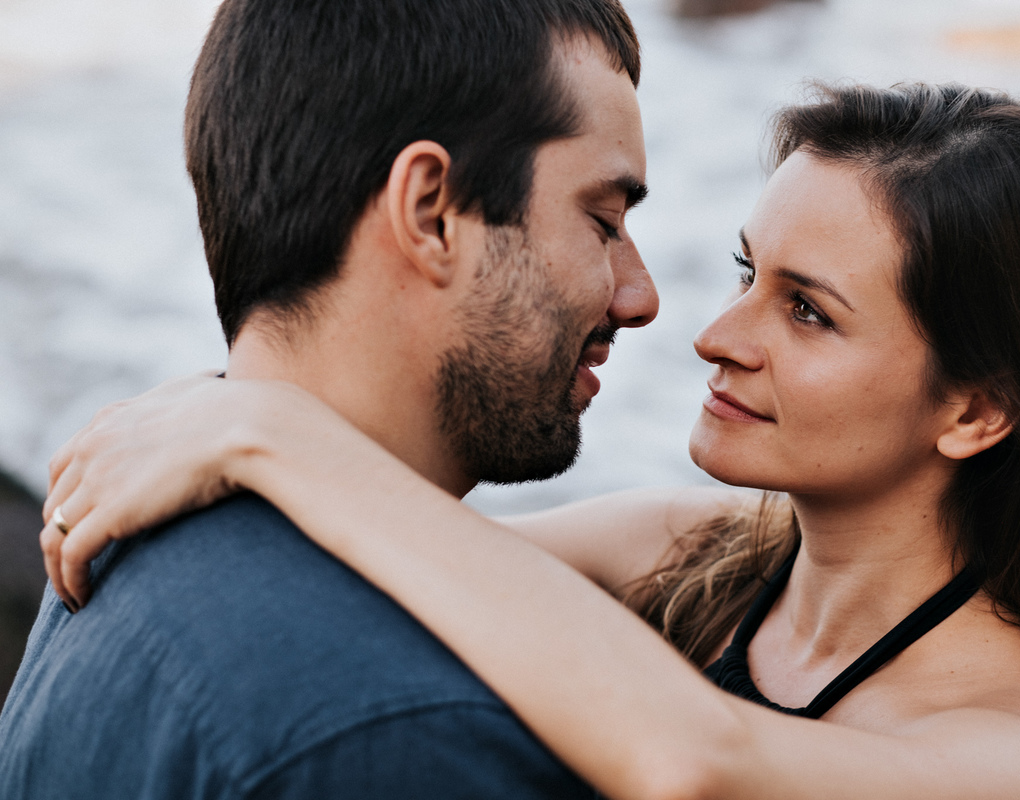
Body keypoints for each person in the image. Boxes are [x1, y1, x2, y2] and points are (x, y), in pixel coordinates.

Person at [32, 82, 1020, 799]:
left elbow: (697, 763)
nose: (717, 335)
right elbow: (374, 561)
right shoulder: (686, 549)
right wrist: (214, 419)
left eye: (807, 311)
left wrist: (269, 425)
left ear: (974, 411)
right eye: (747, 273)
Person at [0, 0, 659, 797]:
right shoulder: (405, 733)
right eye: (603, 221)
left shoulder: (114, 543)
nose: (640, 296)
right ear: (431, 212)